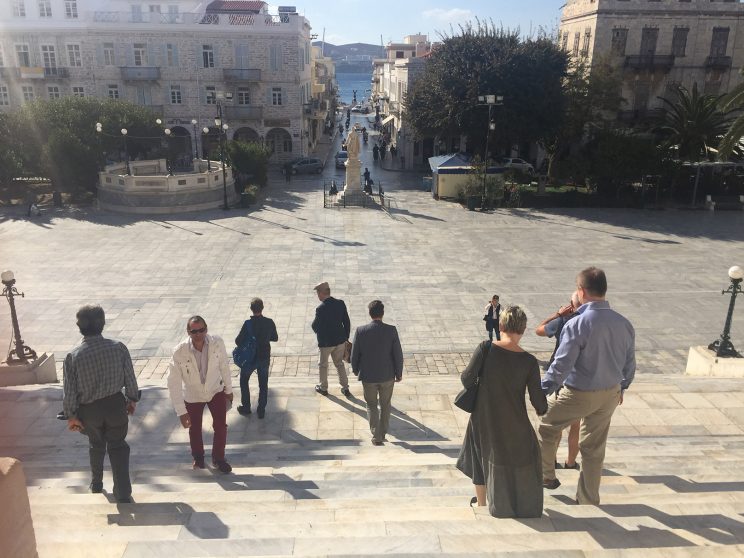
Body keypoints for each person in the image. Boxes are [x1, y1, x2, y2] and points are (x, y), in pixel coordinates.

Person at [539, 267, 635, 505]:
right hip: (610, 393)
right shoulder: (624, 323)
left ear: (581, 291)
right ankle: (588, 499)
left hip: (578, 393)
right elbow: (630, 363)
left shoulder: (577, 324)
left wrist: (540, 392)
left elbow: (560, 367)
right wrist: (621, 388)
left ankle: (546, 477)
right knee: (594, 448)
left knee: (546, 428)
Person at [456, 306, 547, 518]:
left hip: (484, 419)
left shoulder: (485, 349)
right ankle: (515, 502)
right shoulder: (529, 362)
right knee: (517, 460)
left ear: (501, 326)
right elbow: (539, 403)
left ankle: (481, 504)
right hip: (515, 422)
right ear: (523, 330)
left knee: (480, 458)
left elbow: (466, 380)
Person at [63, 305, 139, 503]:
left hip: (90, 411)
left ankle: (96, 483)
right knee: (118, 446)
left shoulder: (73, 356)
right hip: (115, 405)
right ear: (103, 324)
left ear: (79, 326)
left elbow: (70, 391)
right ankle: (123, 492)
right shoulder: (119, 347)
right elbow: (130, 379)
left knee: (96, 445)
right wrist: (131, 400)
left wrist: (71, 416)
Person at [167, 316, 234, 473]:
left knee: (221, 426)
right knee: (194, 428)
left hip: (215, 390)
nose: (198, 334)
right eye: (194, 331)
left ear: (206, 329)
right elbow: (173, 383)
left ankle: (219, 459)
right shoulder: (179, 352)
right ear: (188, 332)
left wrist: (229, 390)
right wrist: (181, 411)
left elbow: (224, 366)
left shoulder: (217, 343)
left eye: (201, 330)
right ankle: (198, 458)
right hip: (193, 394)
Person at [535, 292, 582, 471]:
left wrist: (558, 314)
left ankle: (552, 461)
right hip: (579, 379)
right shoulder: (590, 321)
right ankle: (570, 462)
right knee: (575, 426)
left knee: (556, 424)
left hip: (560, 376)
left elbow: (539, 329)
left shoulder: (564, 320)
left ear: (571, 304)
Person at [350, 300, 404, 446]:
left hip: (368, 376)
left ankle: (376, 435)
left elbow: (355, 354)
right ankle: (383, 431)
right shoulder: (391, 330)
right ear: (383, 313)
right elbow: (397, 354)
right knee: (386, 404)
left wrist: (355, 370)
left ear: (370, 314)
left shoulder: (361, 331)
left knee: (371, 405)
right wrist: (398, 373)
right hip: (387, 375)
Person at [235, 298, 278, 419]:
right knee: (263, 384)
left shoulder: (247, 324)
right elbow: (275, 338)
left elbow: (238, 341)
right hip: (264, 357)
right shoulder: (269, 322)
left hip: (250, 359)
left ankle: (246, 406)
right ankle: (261, 410)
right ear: (262, 308)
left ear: (251, 309)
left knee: (244, 381)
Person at [311, 282, 351, 397]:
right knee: (339, 364)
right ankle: (345, 387)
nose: (318, 296)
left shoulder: (320, 309)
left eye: (318, 293)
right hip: (340, 341)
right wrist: (345, 337)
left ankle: (323, 388)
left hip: (325, 343)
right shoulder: (340, 303)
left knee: (323, 365)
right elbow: (346, 321)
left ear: (321, 293)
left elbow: (315, 326)